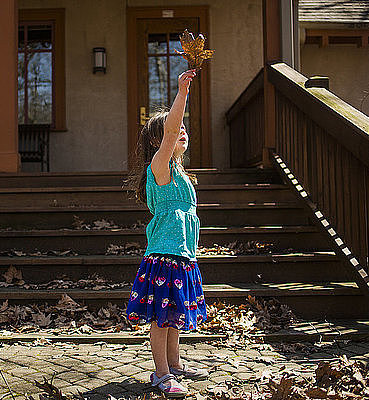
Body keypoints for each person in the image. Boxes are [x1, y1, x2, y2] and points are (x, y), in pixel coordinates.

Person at [124, 69, 209, 398]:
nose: (180, 131)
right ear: (158, 143)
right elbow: (172, 126)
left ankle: (173, 364)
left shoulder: (181, 172)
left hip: (183, 257)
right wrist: (182, 92)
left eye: (184, 129)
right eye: (173, 132)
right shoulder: (158, 168)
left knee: (174, 313)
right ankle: (160, 373)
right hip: (163, 256)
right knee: (161, 318)